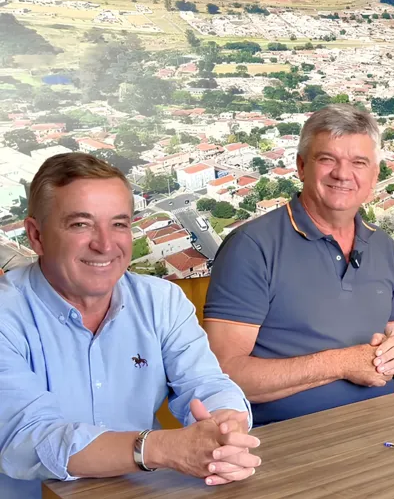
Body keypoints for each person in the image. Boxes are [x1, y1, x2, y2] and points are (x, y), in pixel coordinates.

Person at [0, 153, 259, 499]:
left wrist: (226, 428)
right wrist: (159, 449)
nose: (105, 244)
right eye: (81, 224)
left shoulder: (162, 301)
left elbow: (206, 383)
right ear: (36, 235)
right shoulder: (7, 314)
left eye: (119, 224)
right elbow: (28, 438)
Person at [204, 104, 394, 425]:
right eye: (327, 159)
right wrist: (341, 364)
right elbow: (222, 374)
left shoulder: (383, 246)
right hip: (286, 448)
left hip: (379, 434)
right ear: (301, 166)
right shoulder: (251, 247)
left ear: (374, 175)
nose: (343, 174)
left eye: (358, 163)